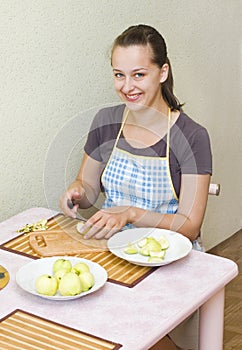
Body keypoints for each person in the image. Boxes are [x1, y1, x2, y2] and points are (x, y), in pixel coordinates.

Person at [59, 24, 212, 350]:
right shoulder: (105, 122)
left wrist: (128, 213)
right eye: (119, 75)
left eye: (138, 74)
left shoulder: (193, 137)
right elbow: (88, 188)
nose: (126, 86)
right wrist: (76, 193)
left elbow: (189, 225)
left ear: (162, 72)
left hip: (171, 263)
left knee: (131, 334)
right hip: (113, 251)